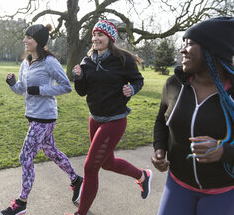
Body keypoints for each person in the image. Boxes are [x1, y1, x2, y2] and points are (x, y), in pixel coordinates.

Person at [66, 20, 152, 215]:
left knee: (90, 168)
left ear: (110, 38)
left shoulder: (122, 59)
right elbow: (82, 92)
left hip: (115, 119)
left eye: (100, 35)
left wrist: (132, 89)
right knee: (107, 163)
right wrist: (79, 77)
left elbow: (138, 80)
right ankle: (142, 175)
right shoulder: (87, 61)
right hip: (95, 118)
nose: (96, 38)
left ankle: (81, 213)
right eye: (94, 35)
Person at [152, 17, 234, 215]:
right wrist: (159, 148)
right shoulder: (174, 84)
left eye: (190, 44)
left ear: (212, 49)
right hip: (177, 186)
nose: (182, 50)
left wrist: (224, 152)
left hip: (222, 193)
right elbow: (161, 122)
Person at [2, 24, 83, 215]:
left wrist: (41, 91)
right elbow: (23, 89)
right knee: (51, 152)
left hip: (45, 117)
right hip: (32, 116)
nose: (25, 40)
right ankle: (76, 179)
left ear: (38, 41)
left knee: (25, 156)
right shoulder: (25, 62)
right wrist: (12, 84)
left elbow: (66, 86)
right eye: (25, 37)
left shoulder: (50, 62)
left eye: (29, 37)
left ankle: (22, 202)